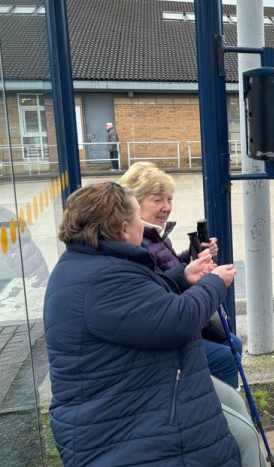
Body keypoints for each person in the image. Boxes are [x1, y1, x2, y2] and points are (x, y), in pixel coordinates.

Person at [43, 182, 241, 466]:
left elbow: (139, 306)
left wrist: (183, 276)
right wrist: (214, 283)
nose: (144, 224)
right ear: (123, 228)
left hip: (128, 399)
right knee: (241, 437)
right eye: (138, 217)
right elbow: (176, 320)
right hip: (127, 429)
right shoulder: (103, 279)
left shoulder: (90, 262)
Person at [119, 162, 244, 388]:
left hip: (169, 323)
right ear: (134, 204)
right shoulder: (138, 241)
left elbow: (168, 266)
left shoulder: (156, 235)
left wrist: (194, 256)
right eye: (157, 200)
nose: (166, 207)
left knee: (233, 342)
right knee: (227, 356)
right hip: (162, 332)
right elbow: (159, 286)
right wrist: (207, 280)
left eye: (169, 199)